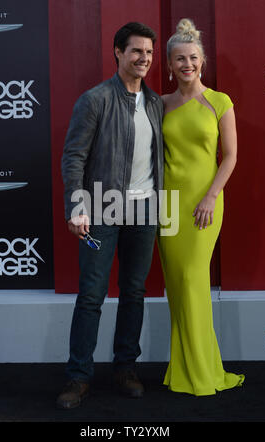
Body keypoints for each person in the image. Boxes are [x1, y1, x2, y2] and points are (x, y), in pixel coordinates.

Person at [57, 22, 164, 409]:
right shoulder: (96, 99)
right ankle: (77, 377)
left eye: (149, 53)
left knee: (134, 292)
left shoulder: (155, 103)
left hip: (145, 210)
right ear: (118, 52)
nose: (144, 59)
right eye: (136, 51)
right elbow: (74, 157)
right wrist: (77, 206)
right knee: (91, 295)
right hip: (102, 209)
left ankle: (125, 368)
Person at [157, 18, 245, 395]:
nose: (186, 64)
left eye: (192, 57)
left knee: (194, 281)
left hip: (204, 203)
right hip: (168, 204)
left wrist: (211, 195)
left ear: (202, 61)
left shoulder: (220, 102)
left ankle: (203, 373)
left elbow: (230, 157)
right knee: (177, 286)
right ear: (169, 64)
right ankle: (184, 370)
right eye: (179, 59)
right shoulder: (160, 104)